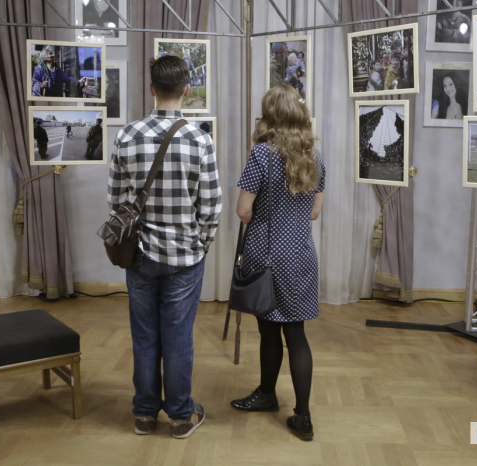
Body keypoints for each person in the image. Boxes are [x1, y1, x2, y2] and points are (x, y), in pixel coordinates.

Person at [108, 55, 222, 439]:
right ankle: (179, 417)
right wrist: (201, 244)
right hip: (185, 256)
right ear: (187, 90)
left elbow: (116, 202)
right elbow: (212, 205)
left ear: (152, 88)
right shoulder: (199, 139)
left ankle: (144, 415)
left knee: (144, 337)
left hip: (139, 253)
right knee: (177, 338)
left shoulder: (126, 135)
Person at [231, 84, 325, 441]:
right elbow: (314, 213)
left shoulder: (262, 154)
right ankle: (303, 416)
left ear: (271, 115)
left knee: (269, 330)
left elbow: (243, 210)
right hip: (300, 255)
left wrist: (265, 212)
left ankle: (267, 395)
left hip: (266, 254)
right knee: (296, 334)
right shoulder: (315, 156)